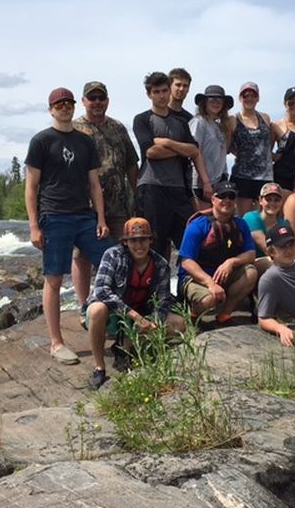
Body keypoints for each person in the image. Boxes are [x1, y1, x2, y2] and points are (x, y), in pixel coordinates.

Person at [24, 87, 113, 366]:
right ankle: (56, 342)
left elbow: (95, 185)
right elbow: (31, 186)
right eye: (59, 104)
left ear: (74, 107)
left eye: (69, 103)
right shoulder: (41, 141)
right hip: (54, 216)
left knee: (113, 260)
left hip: (84, 216)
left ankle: (99, 318)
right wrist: (34, 226)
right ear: (51, 109)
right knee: (53, 277)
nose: (64, 107)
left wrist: (100, 219)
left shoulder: (85, 142)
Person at [83, 217, 186, 388]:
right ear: (125, 242)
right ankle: (99, 367)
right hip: (115, 314)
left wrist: (153, 321)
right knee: (96, 310)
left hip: (141, 316)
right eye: (134, 240)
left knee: (180, 324)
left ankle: (125, 346)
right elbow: (101, 290)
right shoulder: (113, 255)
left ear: (150, 240)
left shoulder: (160, 265)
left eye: (143, 239)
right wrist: (134, 316)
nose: (139, 245)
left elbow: (163, 301)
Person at [71, 80, 139, 305]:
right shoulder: (73, 129)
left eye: (101, 98)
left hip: (119, 203)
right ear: (83, 102)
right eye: (92, 98)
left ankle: (116, 302)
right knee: (81, 255)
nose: (97, 102)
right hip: (85, 205)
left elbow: (131, 163)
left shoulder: (118, 127)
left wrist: (136, 193)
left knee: (122, 252)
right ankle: (83, 305)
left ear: (107, 101)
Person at [133, 71, 212, 258]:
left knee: (190, 239)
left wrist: (167, 143)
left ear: (169, 91)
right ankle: (158, 287)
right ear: (149, 94)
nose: (161, 95)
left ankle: (189, 284)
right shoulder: (142, 119)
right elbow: (150, 152)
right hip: (152, 188)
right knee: (156, 245)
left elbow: (194, 151)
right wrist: (183, 150)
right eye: (156, 92)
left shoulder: (181, 122)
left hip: (178, 189)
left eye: (164, 91)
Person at [178, 181, 258, 322]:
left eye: (231, 197)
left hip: (223, 274)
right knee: (210, 299)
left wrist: (231, 262)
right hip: (196, 278)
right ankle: (194, 315)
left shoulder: (240, 224)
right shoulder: (198, 225)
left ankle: (225, 314)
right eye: (222, 196)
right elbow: (186, 262)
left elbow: (251, 254)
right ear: (213, 200)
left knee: (251, 272)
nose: (227, 200)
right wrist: (210, 283)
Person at [229, 82, 275, 216]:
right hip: (243, 177)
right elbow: (226, 144)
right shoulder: (233, 119)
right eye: (245, 95)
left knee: (266, 218)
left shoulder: (265, 118)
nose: (249, 98)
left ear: (258, 98)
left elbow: (268, 143)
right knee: (246, 218)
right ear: (240, 98)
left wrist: (271, 156)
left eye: (253, 95)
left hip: (265, 176)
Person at [190, 85, 234, 209]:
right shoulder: (199, 122)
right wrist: (206, 182)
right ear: (204, 102)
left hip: (218, 181)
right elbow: (194, 152)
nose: (216, 102)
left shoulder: (219, 127)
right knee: (203, 221)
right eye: (212, 99)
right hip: (201, 184)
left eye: (220, 100)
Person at [243, 181, 288, 275]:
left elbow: (289, 248)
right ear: (260, 200)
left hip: (277, 260)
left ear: (282, 202)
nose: (272, 203)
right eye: (268, 199)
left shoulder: (284, 223)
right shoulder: (251, 217)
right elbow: (267, 249)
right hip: (252, 263)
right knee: (275, 263)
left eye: (277, 200)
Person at [271, 87, 295, 191]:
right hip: (282, 177)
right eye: (291, 103)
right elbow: (267, 151)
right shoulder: (276, 125)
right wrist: (275, 156)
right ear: (285, 104)